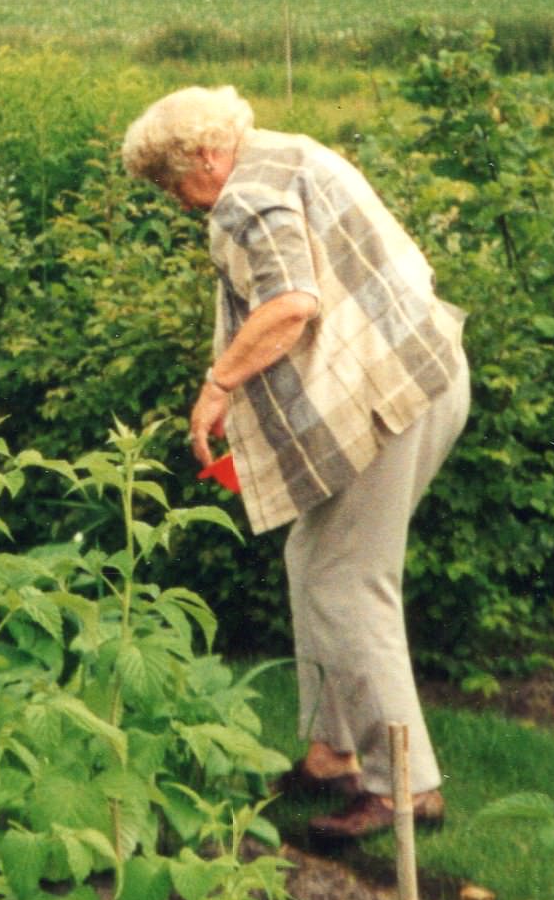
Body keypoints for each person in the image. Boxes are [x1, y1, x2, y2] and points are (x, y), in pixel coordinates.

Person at [122, 85, 468, 840]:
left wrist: (218, 385)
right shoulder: (285, 150)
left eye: (173, 180)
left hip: (390, 398)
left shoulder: (247, 200)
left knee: (348, 579)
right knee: (312, 556)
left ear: (207, 156)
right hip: (415, 369)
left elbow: (290, 302)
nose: (176, 200)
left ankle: (404, 786)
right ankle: (329, 753)